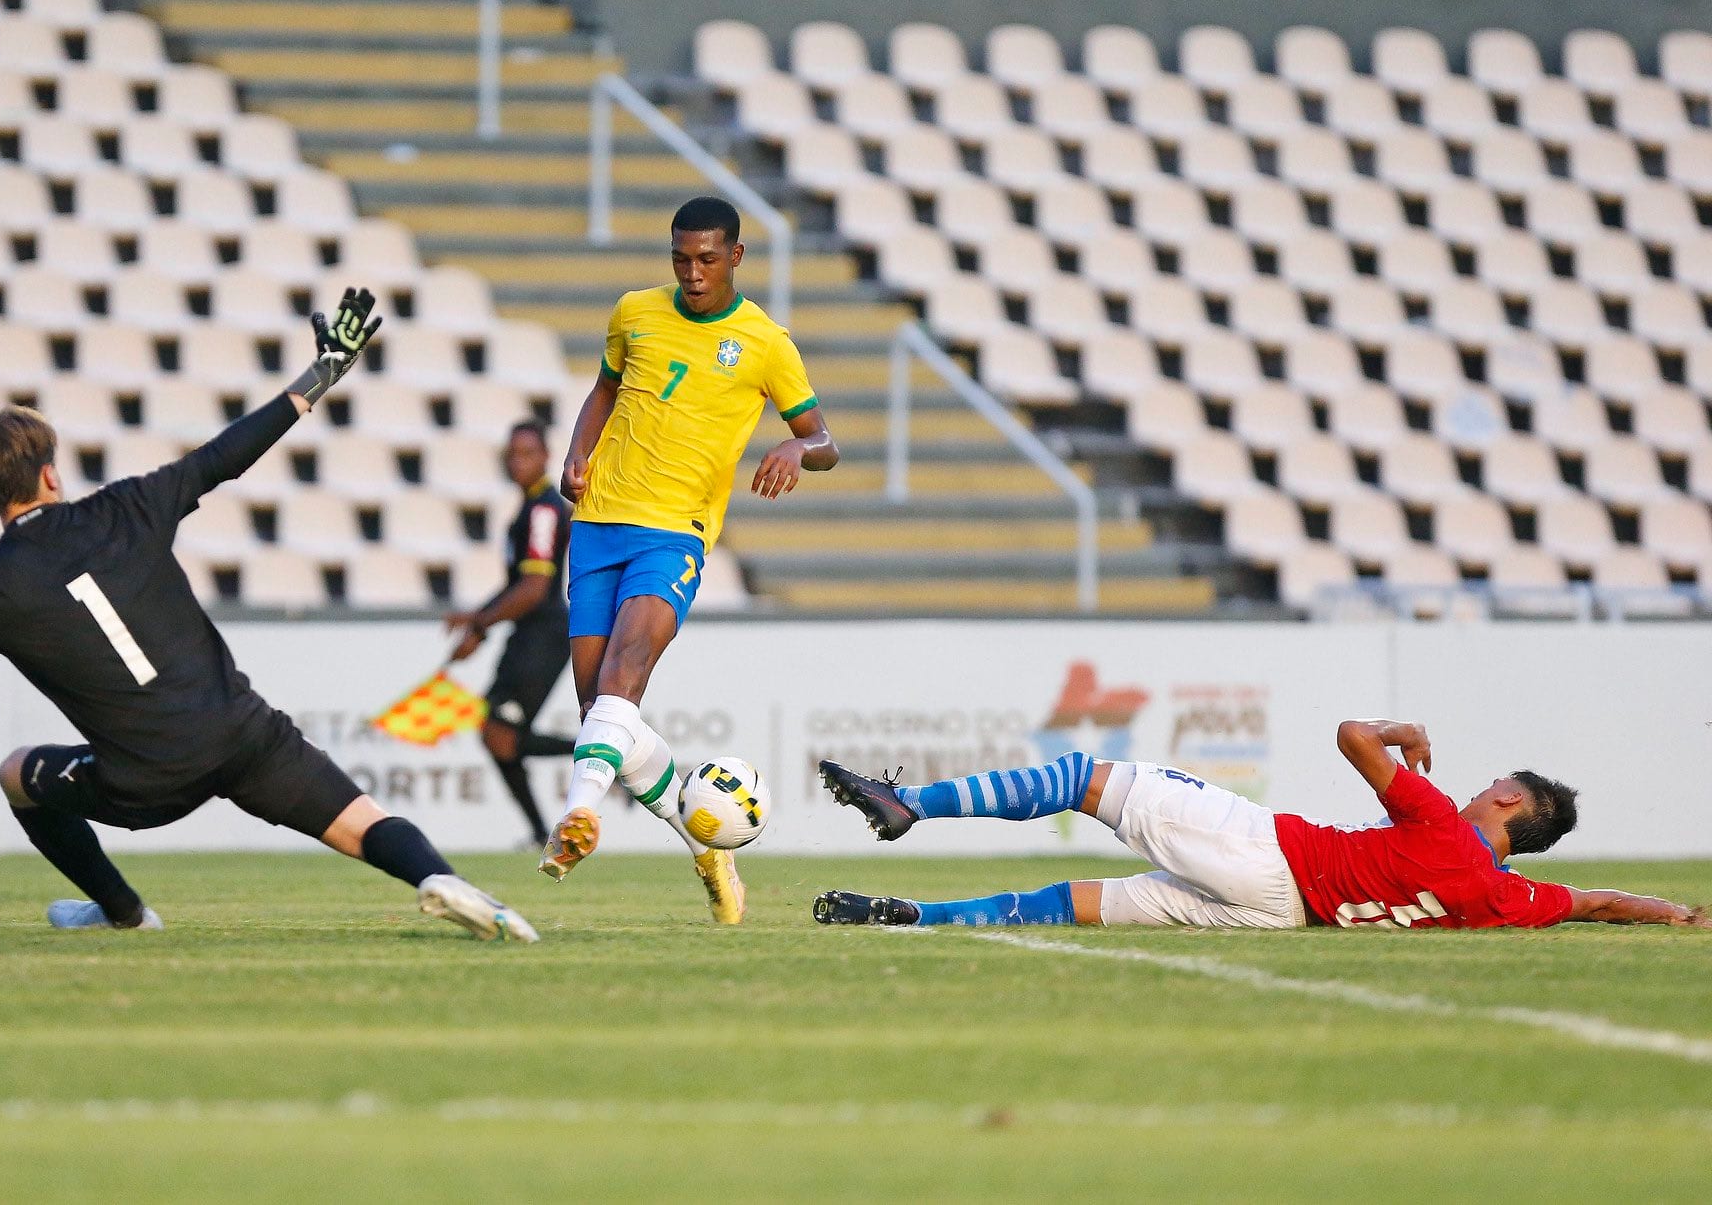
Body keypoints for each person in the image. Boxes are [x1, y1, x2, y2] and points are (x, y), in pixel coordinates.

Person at [0, 291, 537, 943]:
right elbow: (226, 456)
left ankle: (123, 911)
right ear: (49, 474)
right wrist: (322, 374)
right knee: (358, 820)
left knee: (19, 772)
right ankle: (448, 881)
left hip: (145, 781)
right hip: (241, 734)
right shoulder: (128, 507)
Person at [541, 196, 838, 923]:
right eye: (681, 259)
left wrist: (797, 446)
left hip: (675, 533)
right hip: (599, 523)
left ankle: (578, 816)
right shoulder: (635, 313)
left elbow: (825, 439)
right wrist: (577, 453)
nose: (693, 273)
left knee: (623, 676)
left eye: (707, 259)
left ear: (735, 256)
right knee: (599, 713)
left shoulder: (765, 342)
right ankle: (707, 846)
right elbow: (604, 390)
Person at [813, 719, 1708, 931]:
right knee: (1082, 904)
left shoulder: (1444, 822)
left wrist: (1401, 734)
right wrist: (1676, 914)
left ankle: (912, 804)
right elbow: (1593, 901)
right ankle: (915, 919)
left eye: (1493, 785)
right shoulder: (1507, 899)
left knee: (1087, 777)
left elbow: (1352, 737)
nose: (1478, 790)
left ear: (1510, 801)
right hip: (1281, 915)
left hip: (1271, 850)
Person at [443, 420, 575, 847]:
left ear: (545, 458)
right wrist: (476, 620)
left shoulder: (542, 512)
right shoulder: (529, 509)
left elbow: (535, 588)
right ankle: (540, 831)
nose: (517, 461)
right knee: (496, 733)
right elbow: (519, 584)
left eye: (527, 453)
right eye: (512, 453)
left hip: (545, 634)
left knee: (499, 731)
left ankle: (605, 760)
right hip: (529, 633)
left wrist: (479, 624)